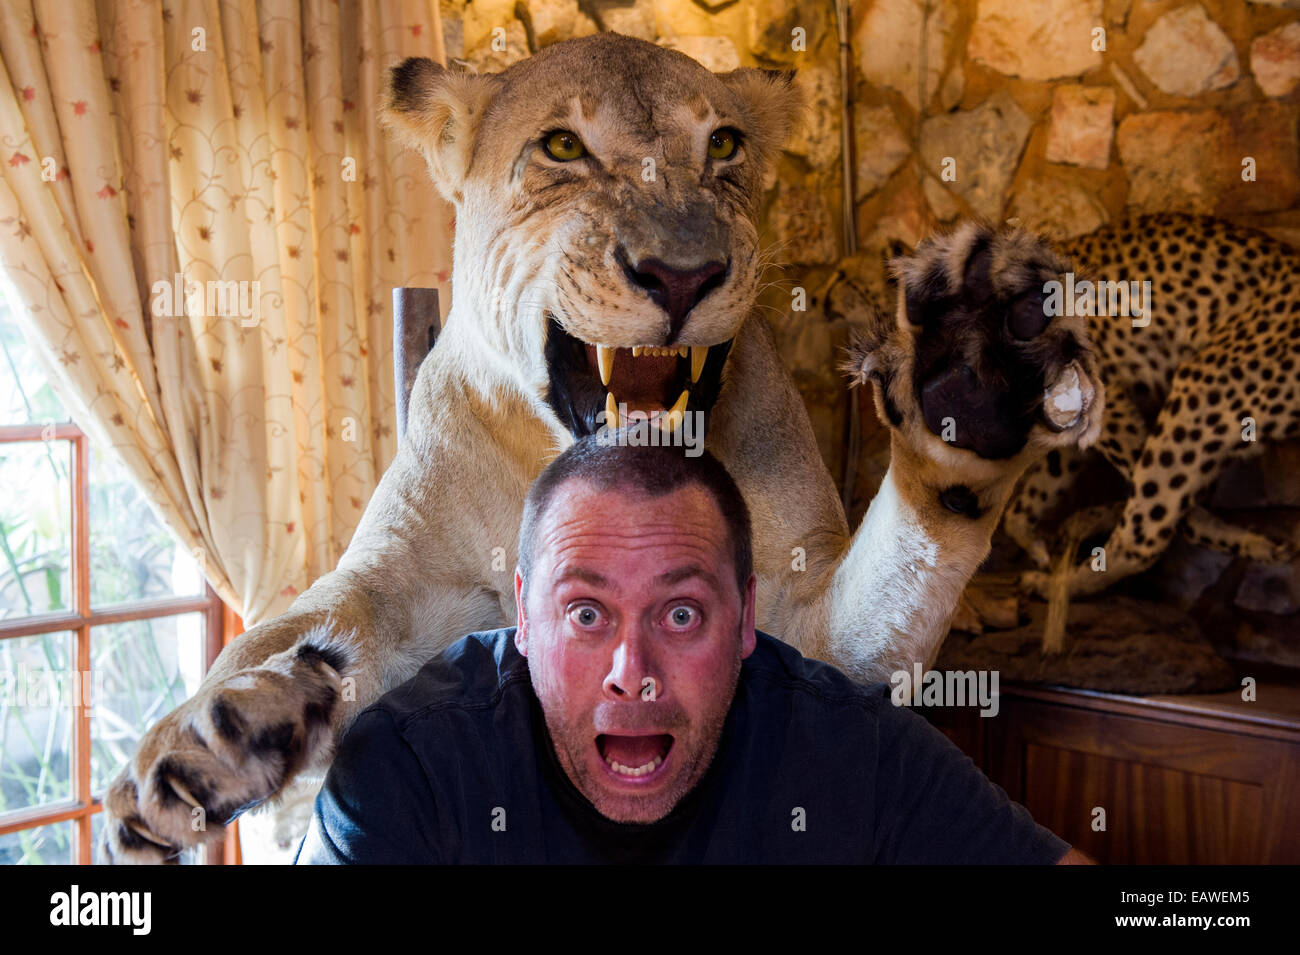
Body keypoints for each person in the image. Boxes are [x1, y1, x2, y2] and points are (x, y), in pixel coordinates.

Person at [296, 437, 1090, 864]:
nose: (631, 673)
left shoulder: (850, 749)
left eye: (680, 614)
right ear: (524, 620)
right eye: (585, 614)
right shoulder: (410, 765)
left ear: (746, 617)